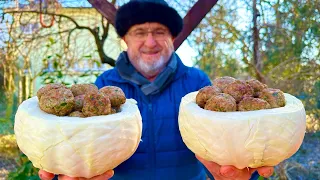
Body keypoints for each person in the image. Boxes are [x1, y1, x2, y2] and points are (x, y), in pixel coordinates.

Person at [39, 0, 275, 179]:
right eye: (140, 33)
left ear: (172, 37)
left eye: (159, 32)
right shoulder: (103, 88)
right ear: (125, 39)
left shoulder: (197, 83)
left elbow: (226, 142)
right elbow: (83, 145)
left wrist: (241, 171)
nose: (150, 42)